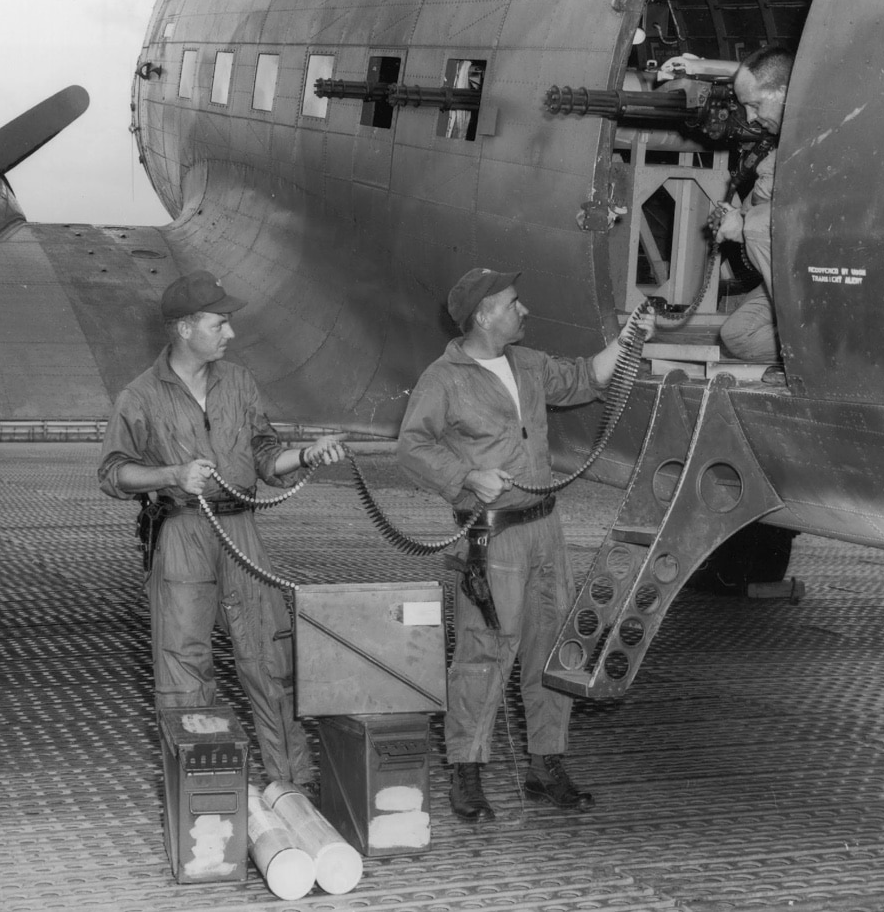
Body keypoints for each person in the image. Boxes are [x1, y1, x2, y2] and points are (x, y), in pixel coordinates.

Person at [396, 268, 653, 821]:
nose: (524, 310)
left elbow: (587, 378)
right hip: (495, 537)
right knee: (484, 653)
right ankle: (467, 773)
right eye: (514, 303)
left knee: (554, 647)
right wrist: (467, 475)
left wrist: (628, 336)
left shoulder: (528, 363)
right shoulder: (443, 379)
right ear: (484, 314)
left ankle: (546, 765)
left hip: (545, 529)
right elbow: (412, 447)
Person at [97, 270, 345, 793]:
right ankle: (204, 797)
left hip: (241, 529)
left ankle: (291, 788)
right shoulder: (139, 396)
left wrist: (306, 454)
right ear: (185, 328)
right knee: (185, 668)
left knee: (269, 659)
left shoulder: (239, 382)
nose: (230, 334)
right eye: (220, 323)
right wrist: (171, 475)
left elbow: (263, 453)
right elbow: (114, 472)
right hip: (183, 533)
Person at [715, 45, 793, 364]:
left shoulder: (820, 132)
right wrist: (737, 219)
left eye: (755, 105)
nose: (750, 118)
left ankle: (811, 346)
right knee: (736, 335)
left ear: (783, 92)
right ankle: (811, 352)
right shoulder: (779, 150)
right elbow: (762, 200)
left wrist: (746, 225)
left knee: (760, 227)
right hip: (793, 274)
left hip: (831, 273)